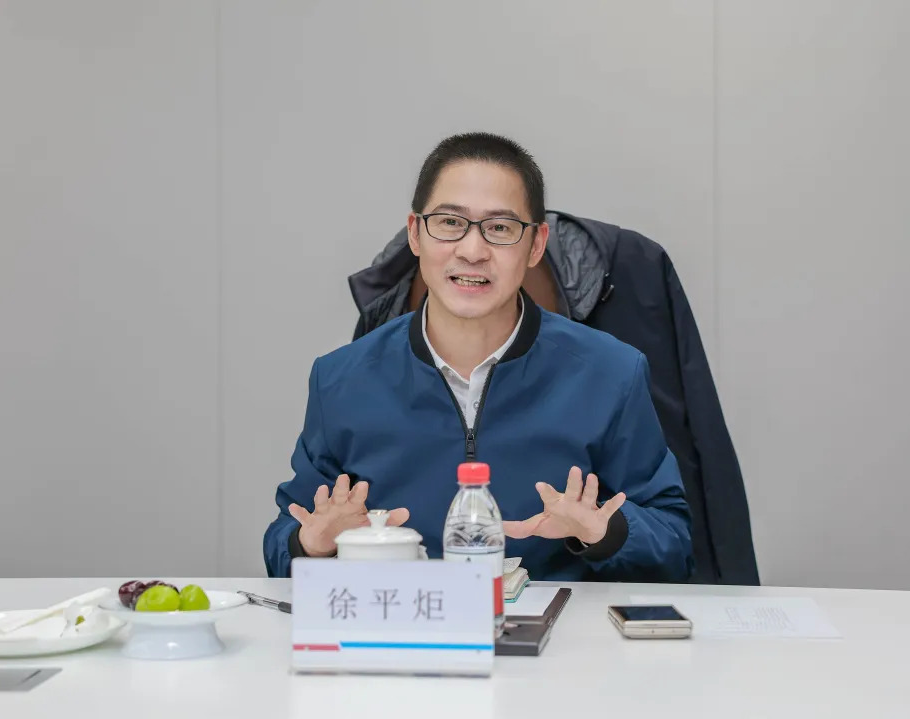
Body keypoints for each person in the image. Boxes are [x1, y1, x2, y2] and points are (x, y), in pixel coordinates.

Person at [264, 132, 692, 582]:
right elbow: (283, 545)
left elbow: (675, 543)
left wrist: (603, 532)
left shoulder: (611, 372)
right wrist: (313, 543)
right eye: (450, 222)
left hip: (554, 624)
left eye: (500, 228)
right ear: (415, 234)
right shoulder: (340, 379)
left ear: (536, 245)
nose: (472, 251)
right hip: (400, 621)